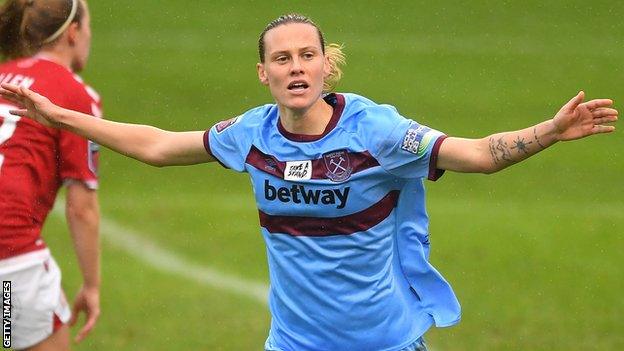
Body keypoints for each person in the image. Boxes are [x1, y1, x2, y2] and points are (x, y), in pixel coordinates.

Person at [0, 13, 617, 351]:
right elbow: (159, 145)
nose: (296, 66)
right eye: (281, 58)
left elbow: (479, 154)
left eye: (307, 55)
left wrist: (547, 131)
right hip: (294, 344)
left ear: (327, 64)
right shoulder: (253, 133)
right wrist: (58, 116)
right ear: (264, 73)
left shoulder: (377, 132)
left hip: (385, 343)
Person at [0, 0, 101, 350]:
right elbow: (81, 208)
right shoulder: (73, 94)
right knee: (15, 333)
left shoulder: (2, 74)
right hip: (11, 258)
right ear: (73, 32)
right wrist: (91, 285)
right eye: (89, 27)